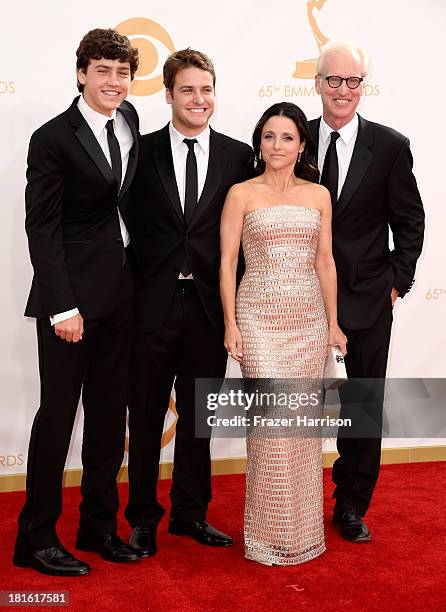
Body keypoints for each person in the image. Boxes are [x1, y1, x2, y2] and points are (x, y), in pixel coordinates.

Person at [14, 28, 141, 576]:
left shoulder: (130, 122)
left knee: (110, 420)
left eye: (123, 72)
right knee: (58, 419)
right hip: (70, 305)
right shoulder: (52, 138)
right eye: (104, 71)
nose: (114, 82)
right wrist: (62, 307)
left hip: (121, 298)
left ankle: (98, 527)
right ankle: (35, 538)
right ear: (81, 73)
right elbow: (41, 228)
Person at [125, 48, 252, 557]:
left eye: (207, 90)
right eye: (188, 90)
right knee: (147, 417)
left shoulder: (239, 155)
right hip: (150, 306)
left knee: (200, 418)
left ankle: (190, 513)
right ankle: (141, 519)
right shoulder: (141, 151)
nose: (199, 99)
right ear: (169, 94)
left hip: (208, 308)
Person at [220, 102, 347, 565]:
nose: (277, 145)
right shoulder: (240, 194)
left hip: (308, 321)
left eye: (287, 137)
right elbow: (228, 263)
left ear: (301, 145)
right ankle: (266, 536)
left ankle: (300, 534)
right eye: (269, 136)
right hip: (257, 319)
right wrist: (231, 322)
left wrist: (333, 322)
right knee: (271, 429)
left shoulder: (318, 195)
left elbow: (325, 262)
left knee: (300, 432)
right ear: (259, 142)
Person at [310, 42, 425, 542]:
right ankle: (286, 495)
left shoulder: (391, 145)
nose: (343, 90)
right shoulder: (289, 140)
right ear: (317, 83)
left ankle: (352, 502)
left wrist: (396, 283)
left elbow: (410, 221)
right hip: (299, 294)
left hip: (367, 297)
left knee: (361, 403)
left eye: (352, 81)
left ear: (363, 86)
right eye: (333, 80)